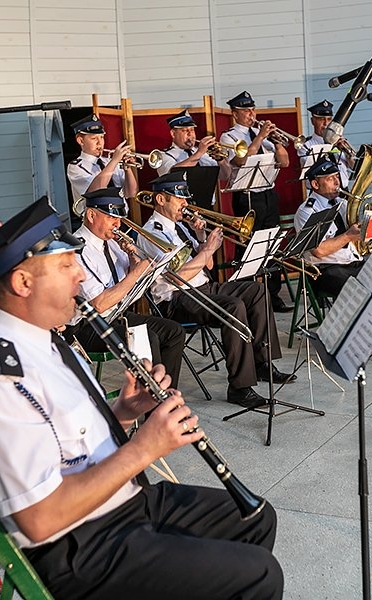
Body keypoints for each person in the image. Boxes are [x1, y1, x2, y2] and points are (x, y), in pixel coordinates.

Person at [0, 196, 283, 600]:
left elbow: (68, 440)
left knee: (257, 518)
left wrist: (123, 412)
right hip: (81, 545)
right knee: (259, 574)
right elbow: (40, 518)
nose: (81, 278)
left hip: (121, 503)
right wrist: (144, 449)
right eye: (67, 265)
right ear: (23, 283)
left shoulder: (42, 338)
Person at [138, 172, 295, 409]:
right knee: (233, 307)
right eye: (179, 198)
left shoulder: (181, 227)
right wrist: (207, 249)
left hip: (203, 288)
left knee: (256, 290)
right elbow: (179, 278)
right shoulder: (152, 232)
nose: (186, 204)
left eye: (185, 198)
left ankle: (262, 363)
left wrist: (201, 238)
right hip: (177, 298)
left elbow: (207, 265)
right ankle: (240, 387)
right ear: (161, 200)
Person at [66, 186, 185, 387]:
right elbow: (99, 304)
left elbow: (127, 286)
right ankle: (154, 407)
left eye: (119, 218)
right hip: (88, 326)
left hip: (117, 314)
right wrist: (137, 272)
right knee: (149, 338)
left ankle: (166, 396)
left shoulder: (111, 242)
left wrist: (132, 259)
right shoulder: (78, 249)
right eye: (112, 218)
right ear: (91, 215)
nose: (118, 224)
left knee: (173, 332)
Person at [219, 91, 291, 313]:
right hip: (247, 196)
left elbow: (285, 162)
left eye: (253, 110)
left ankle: (273, 295)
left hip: (268, 194)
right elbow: (241, 160)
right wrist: (259, 137)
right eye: (246, 111)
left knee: (272, 244)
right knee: (248, 246)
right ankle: (248, 295)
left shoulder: (265, 136)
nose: (252, 114)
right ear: (235, 114)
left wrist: (277, 143)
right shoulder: (229, 137)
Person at [293, 156, 364, 299]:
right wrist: (348, 236)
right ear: (315, 184)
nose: (337, 182)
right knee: (356, 291)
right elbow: (319, 250)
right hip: (324, 269)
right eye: (330, 179)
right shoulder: (307, 211)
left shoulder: (342, 203)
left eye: (337, 176)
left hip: (351, 262)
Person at [66, 114, 138, 202]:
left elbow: (131, 193)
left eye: (102, 137)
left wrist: (127, 168)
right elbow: (95, 192)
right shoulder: (76, 167)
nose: (100, 143)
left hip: (119, 213)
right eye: (94, 138)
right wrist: (114, 161)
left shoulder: (109, 162)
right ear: (80, 141)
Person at [155, 109, 232, 182]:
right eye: (184, 130)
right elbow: (174, 174)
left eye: (192, 130)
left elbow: (225, 176)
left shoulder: (204, 153)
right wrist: (199, 153)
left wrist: (220, 160)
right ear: (173, 133)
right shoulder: (163, 156)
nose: (190, 134)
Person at [297, 100, 354, 187]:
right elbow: (312, 173)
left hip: (344, 192)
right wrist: (329, 147)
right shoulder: (306, 145)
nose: (326, 123)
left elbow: (355, 168)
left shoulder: (340, 141)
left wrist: (347, 153)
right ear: (313, 121)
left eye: (329, 119)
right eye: (321, 119)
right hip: (321, 193)